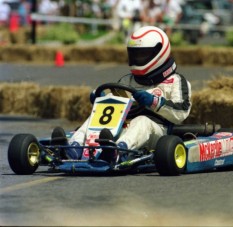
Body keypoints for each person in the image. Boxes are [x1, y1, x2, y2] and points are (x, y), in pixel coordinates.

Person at [50, 26, 192, 163]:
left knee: (142, 121)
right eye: (134, 54)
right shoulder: (127, 80)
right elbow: (116, 103)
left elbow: (182, 112)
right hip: (123, 124)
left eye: (142, 54)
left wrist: (154, 102)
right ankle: (73, 149)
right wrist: (102, 100)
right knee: (96, 116)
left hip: (159, 131)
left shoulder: (176, 81)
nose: (137, 59)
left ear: (159, 53)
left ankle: (118, 151)